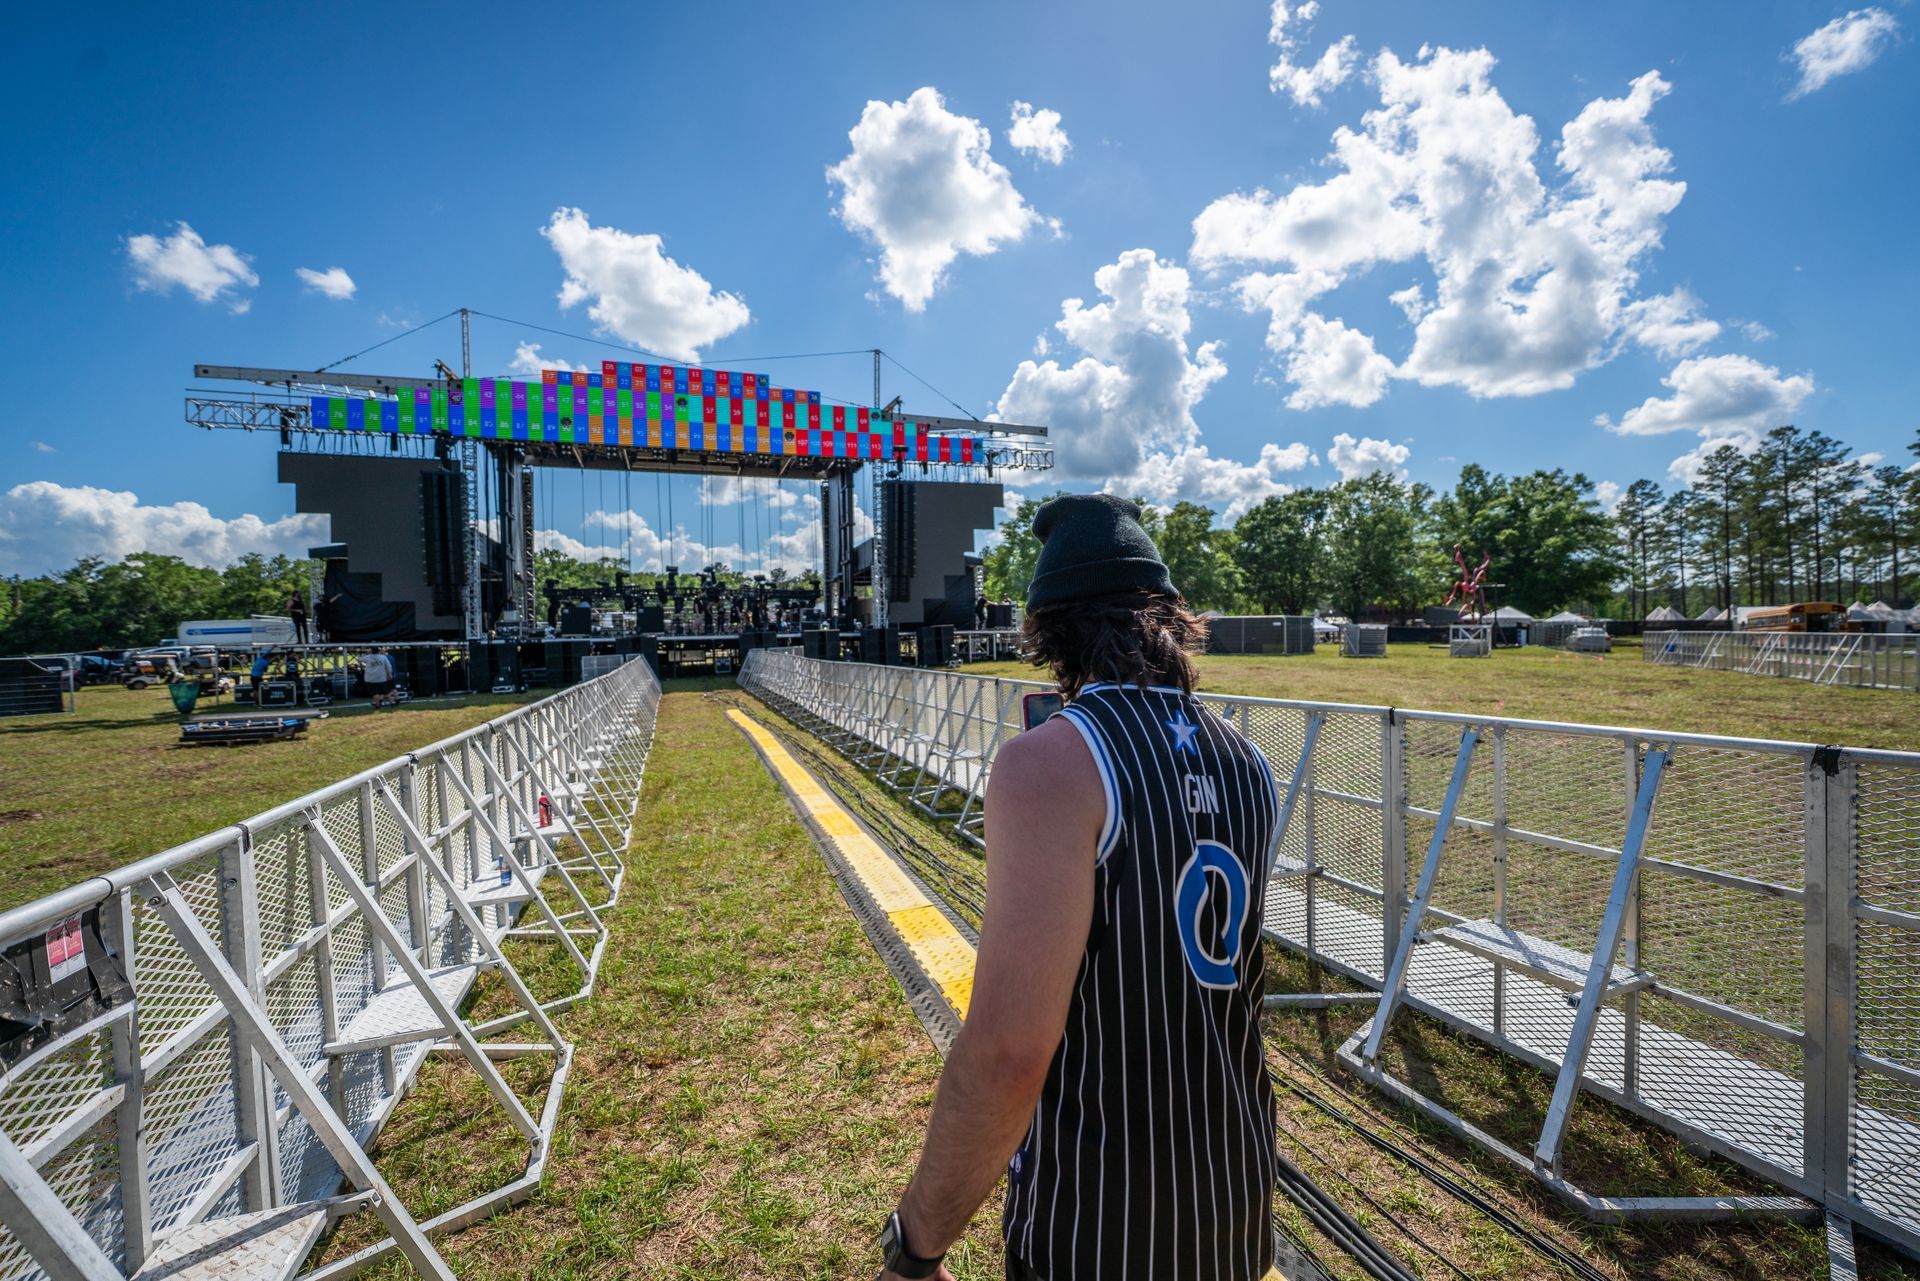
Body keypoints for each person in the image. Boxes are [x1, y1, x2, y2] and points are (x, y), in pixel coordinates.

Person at [877, 494, 1281, 1281]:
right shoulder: (1250, 761)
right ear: (1169, 618)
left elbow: (1008, 1056)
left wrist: (916, 1246)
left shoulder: (1051, 764)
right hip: (1235, 1211)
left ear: (1048, 630)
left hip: (1097, 1232)